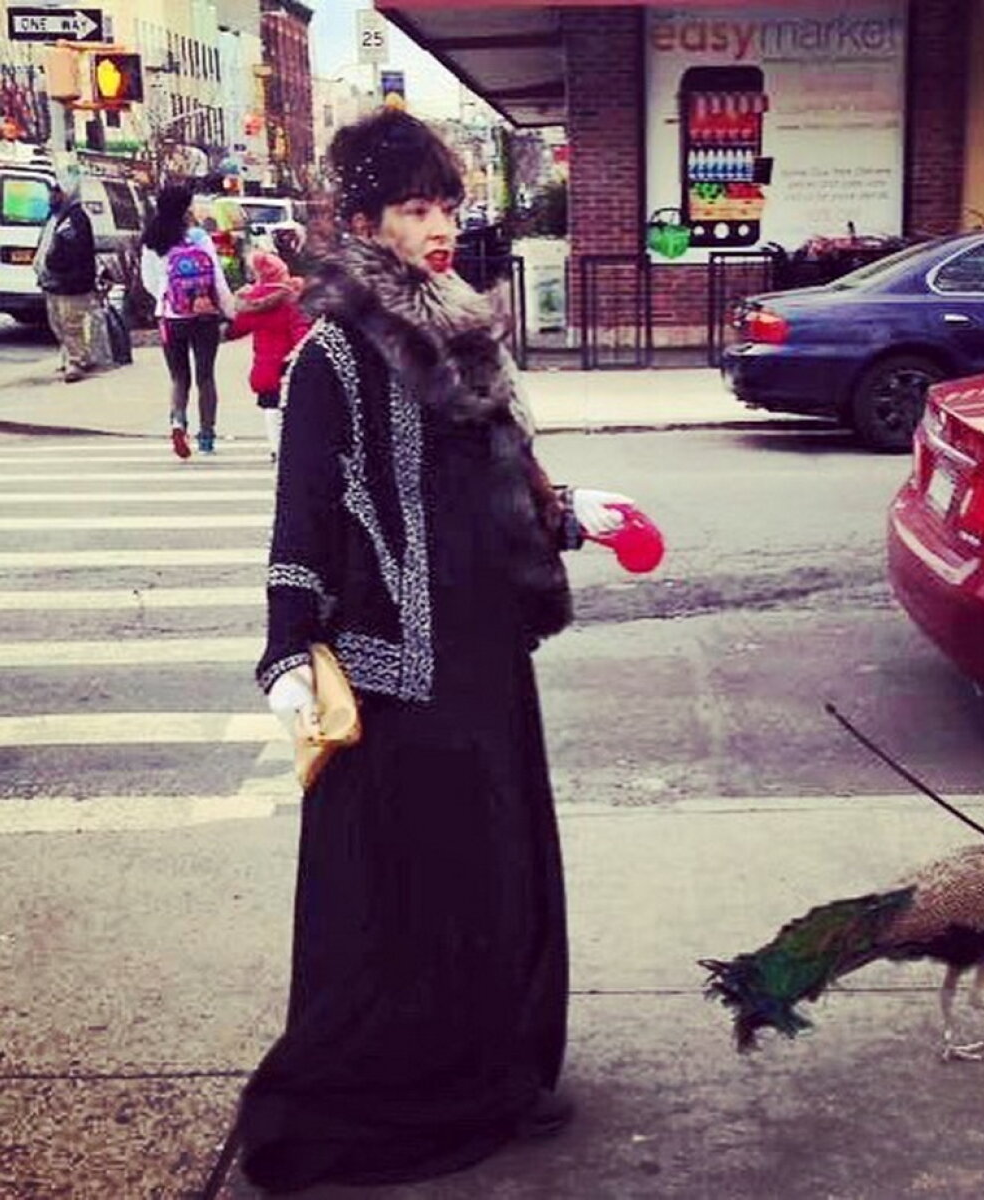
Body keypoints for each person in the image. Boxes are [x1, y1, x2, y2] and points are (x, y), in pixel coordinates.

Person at [238, 107, 635, 1193]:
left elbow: (487, 488)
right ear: (364, 220)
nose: (440, 226)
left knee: (498, 868)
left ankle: (502, 1067)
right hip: (396, 667)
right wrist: (287, 647)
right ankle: (419, 1082)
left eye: (449, 205)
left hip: (485, 649)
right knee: (419, 887)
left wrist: (566, 515)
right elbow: (305, 510)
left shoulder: (467, 331)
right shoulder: (334, 353)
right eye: (417, 208)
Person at [139, 184, 237, 458]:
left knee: (179, 376)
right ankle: (207, 436)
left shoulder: (152, 239)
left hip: (171, 317)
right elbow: (216, 277)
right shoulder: (198, 237)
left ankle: (177, 422)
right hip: (203, 314)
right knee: (206, 376)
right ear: (185, 207)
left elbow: (148, 280)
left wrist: (166, 297)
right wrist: (229, 310)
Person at [226, 249, 310, 461]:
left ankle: (276, 448)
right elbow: (300, 330)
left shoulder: (252, 302)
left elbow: (236, 329)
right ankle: (293, 446)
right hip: (289, 363)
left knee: (270, 407)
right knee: (294, 408)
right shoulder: (292, 299)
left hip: (265, 367)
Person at [33, 175, 97, 383]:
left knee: (72, 323)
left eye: (58, 192)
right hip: (53, 282)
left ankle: (77, 361)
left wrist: (59, 267)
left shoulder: (76, 218)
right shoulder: (55, 217)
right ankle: (71, 355)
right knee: (58, 323)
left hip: (71, 284)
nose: (53, 196)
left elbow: (74, 251)